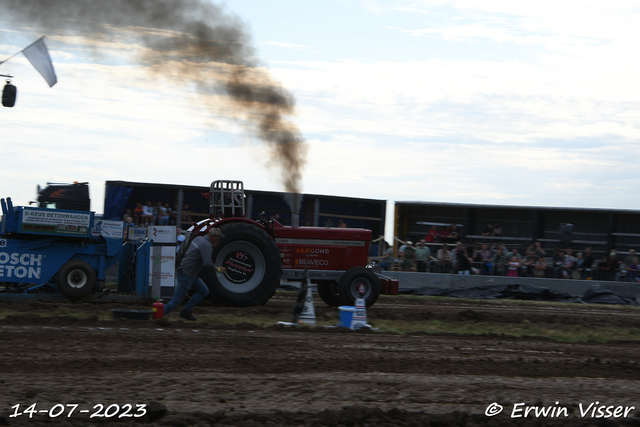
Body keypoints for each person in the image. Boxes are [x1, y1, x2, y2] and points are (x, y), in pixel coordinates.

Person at [163, 228, 227, 321]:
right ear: (213, 236)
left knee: (203, 291)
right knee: (176, 300)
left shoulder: (198, 239)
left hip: (187, 272)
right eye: (218, 238)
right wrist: (218, 269)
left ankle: (186, 311)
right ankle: (159, 314)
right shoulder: (206, 244)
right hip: (188, 274)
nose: (218, 240)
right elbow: (207, 263)